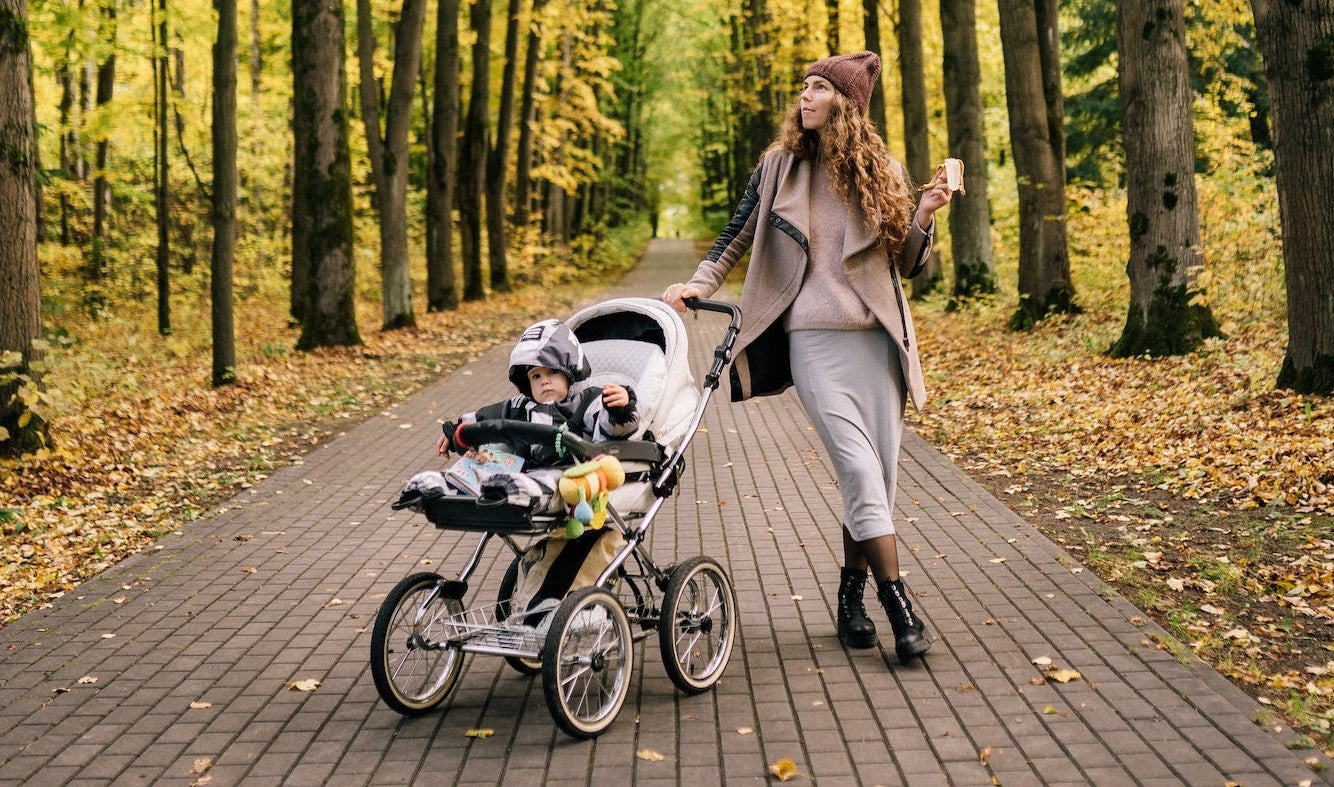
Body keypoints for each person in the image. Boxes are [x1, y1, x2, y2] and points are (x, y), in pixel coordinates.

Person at [661, 51, 955, 664]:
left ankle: (850, 600)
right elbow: (738, 233)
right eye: (804, 86)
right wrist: (698, 283)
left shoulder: (882, 170)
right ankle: (898, 605)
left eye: (819, 87)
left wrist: (925, 215)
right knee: (859, 469)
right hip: (813, 342)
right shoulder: (779, 166)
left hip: (877, 342)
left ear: (845, 104)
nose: (805, 96)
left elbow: (905, 263)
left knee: (875, 479)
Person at [436, 318, 639, 467]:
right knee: (495, 445)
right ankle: (456, 483)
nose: (544, 381)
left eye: (552, 372)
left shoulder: (587, 401)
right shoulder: (520, 406)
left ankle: (500, 488)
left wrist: (620, 409)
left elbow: (611, 429)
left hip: (572, 472)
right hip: (523, 470)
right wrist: (456, 432)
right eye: (536, 376)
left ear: (569, 372)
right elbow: (484, 418)